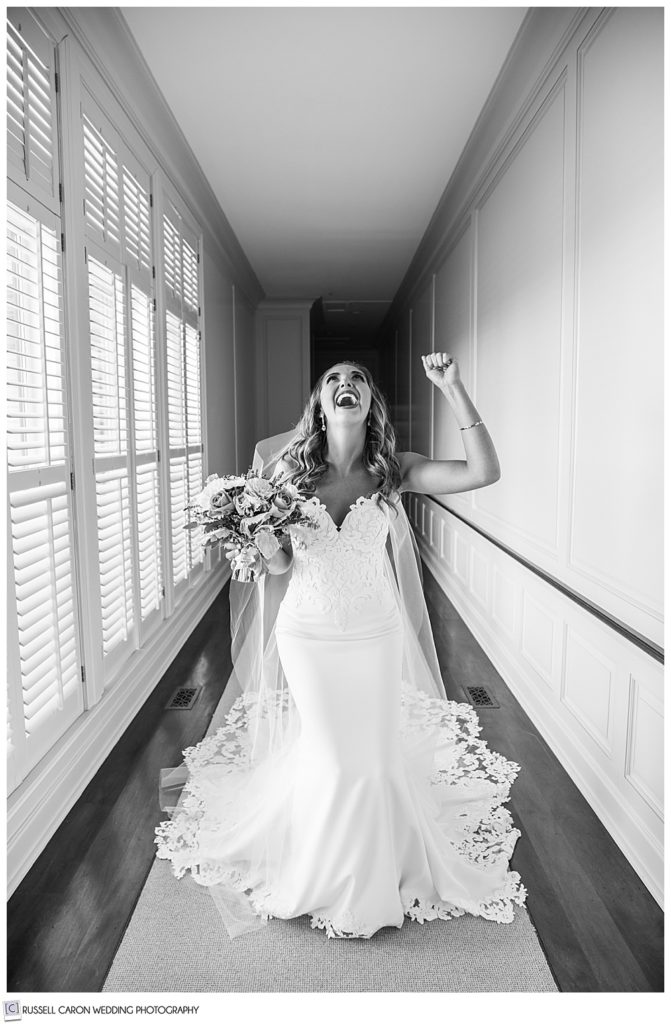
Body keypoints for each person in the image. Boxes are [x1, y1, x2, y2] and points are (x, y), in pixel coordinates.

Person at [155, 354, 527, 940]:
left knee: (374, 758)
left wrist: (454, 388)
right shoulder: (286, 473)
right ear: (320, 407)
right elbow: (280, 562)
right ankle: (319, 872)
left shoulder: (393, 471)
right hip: (308, 635)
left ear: (368, 402)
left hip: (376, 635)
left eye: (356, 379)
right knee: (331, 755)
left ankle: (380, 872)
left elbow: (484, 472)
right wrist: (255, 546)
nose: (344, 384)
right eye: (332, 380)